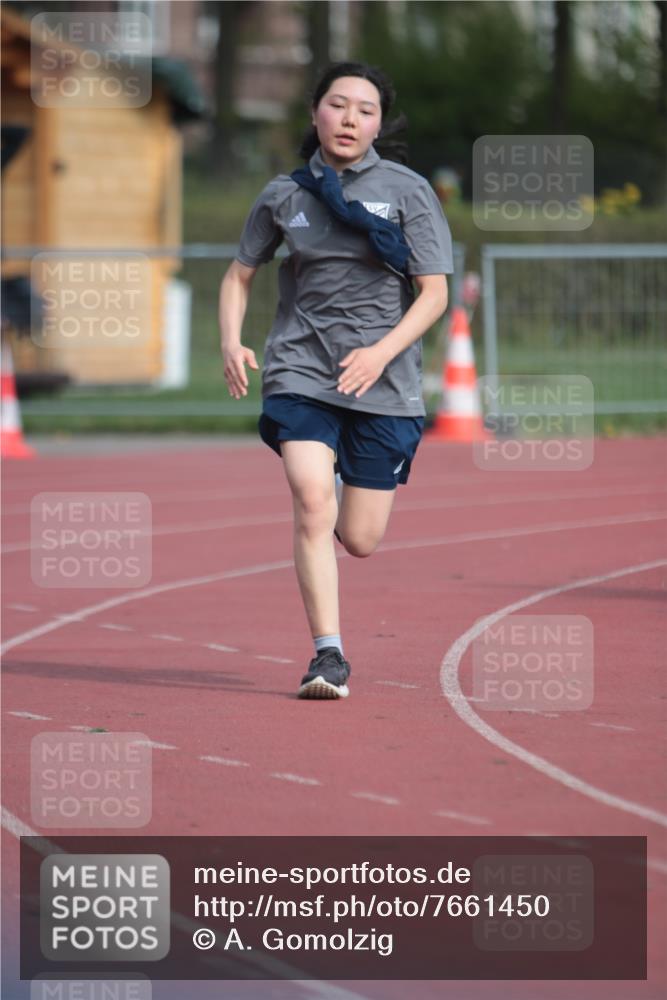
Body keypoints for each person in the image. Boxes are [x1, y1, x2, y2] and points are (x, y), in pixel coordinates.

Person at [219, 61, 453, 700]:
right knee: (311, 496)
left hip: (384, 381)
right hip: (301, 369)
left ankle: (350, 514)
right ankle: (329, 656)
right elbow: (240, 273)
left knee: (361, 538)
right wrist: (230, 339)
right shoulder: (283, 195)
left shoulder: (408, 191)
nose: (350, 119)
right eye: (338, 105)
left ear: (380, 122)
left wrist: (380, 353)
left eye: (366, 109)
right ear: (315, 112)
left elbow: (433, 295)